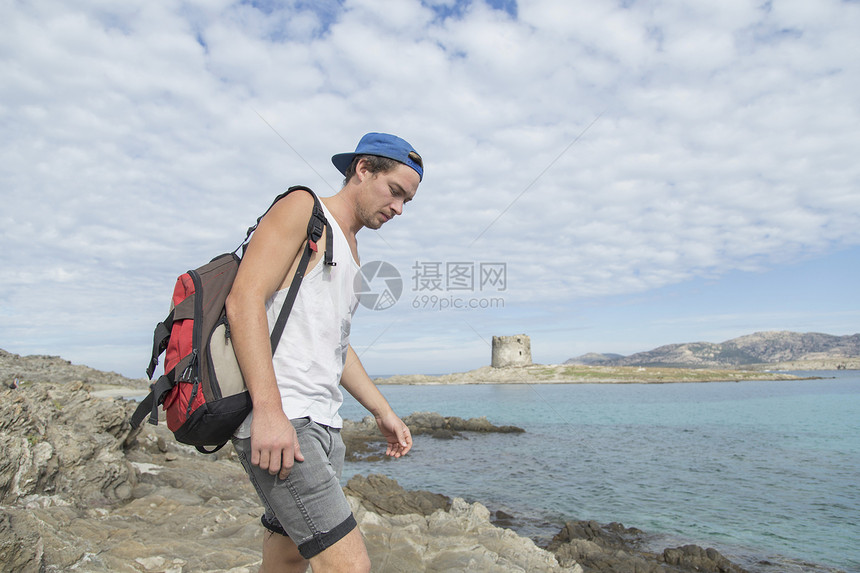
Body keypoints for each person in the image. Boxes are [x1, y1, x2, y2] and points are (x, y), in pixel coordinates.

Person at [225, 132, 423, 573]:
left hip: (324, 423)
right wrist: (269, 412)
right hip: (285, 420)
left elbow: (336, 347)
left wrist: (382, 411)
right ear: (363, 169)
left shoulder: (351, 248)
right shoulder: (303, 208)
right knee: (349, 566)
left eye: (408, 201)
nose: (399, 209)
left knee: (288, 558)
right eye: (395, 192)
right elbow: (244, 301)